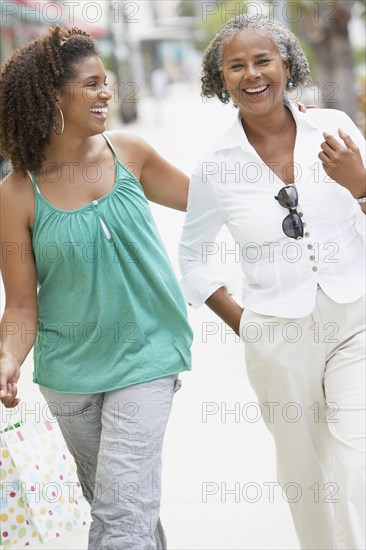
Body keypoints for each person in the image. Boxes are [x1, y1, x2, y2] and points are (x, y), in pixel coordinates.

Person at [0, 26, 193, 550]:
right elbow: (20, 304)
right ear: (52, 96)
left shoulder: (129, 152)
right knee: (116, 505)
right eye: (91, 84)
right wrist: (8, 357)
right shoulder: (17, 193)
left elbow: (211, 200)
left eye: (105, 82)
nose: (107, 93)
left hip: (148, 355)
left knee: (121, 511)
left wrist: (287, 134)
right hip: (70, 377)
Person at [179, 14, 366, 550]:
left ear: (287, 65)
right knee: (305, 477)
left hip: (355, 320)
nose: (251, 74)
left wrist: (361, 186)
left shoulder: (335, 129)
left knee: (355, 468)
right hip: (277, 336)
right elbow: (192, 256)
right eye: (236, 66)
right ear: (221, 78)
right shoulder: (216, 163)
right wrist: (245, 322)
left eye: (263, 61)